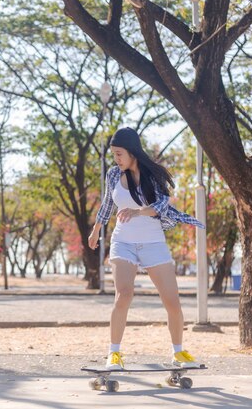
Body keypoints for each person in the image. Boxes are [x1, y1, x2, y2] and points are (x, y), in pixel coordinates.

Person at [88, 127, 204, 370]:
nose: (116, 159)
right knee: (124, 294)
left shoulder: (151, 175)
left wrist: (137, 211)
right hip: (123, 243)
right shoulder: (112, 174)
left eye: (119, 154)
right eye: (114, 154)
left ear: (132, 153)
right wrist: (97, 229)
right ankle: (114, 354)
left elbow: (161, 205)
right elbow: (108, 203)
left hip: (153, 243)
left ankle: (178, 353)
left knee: (172, 301)